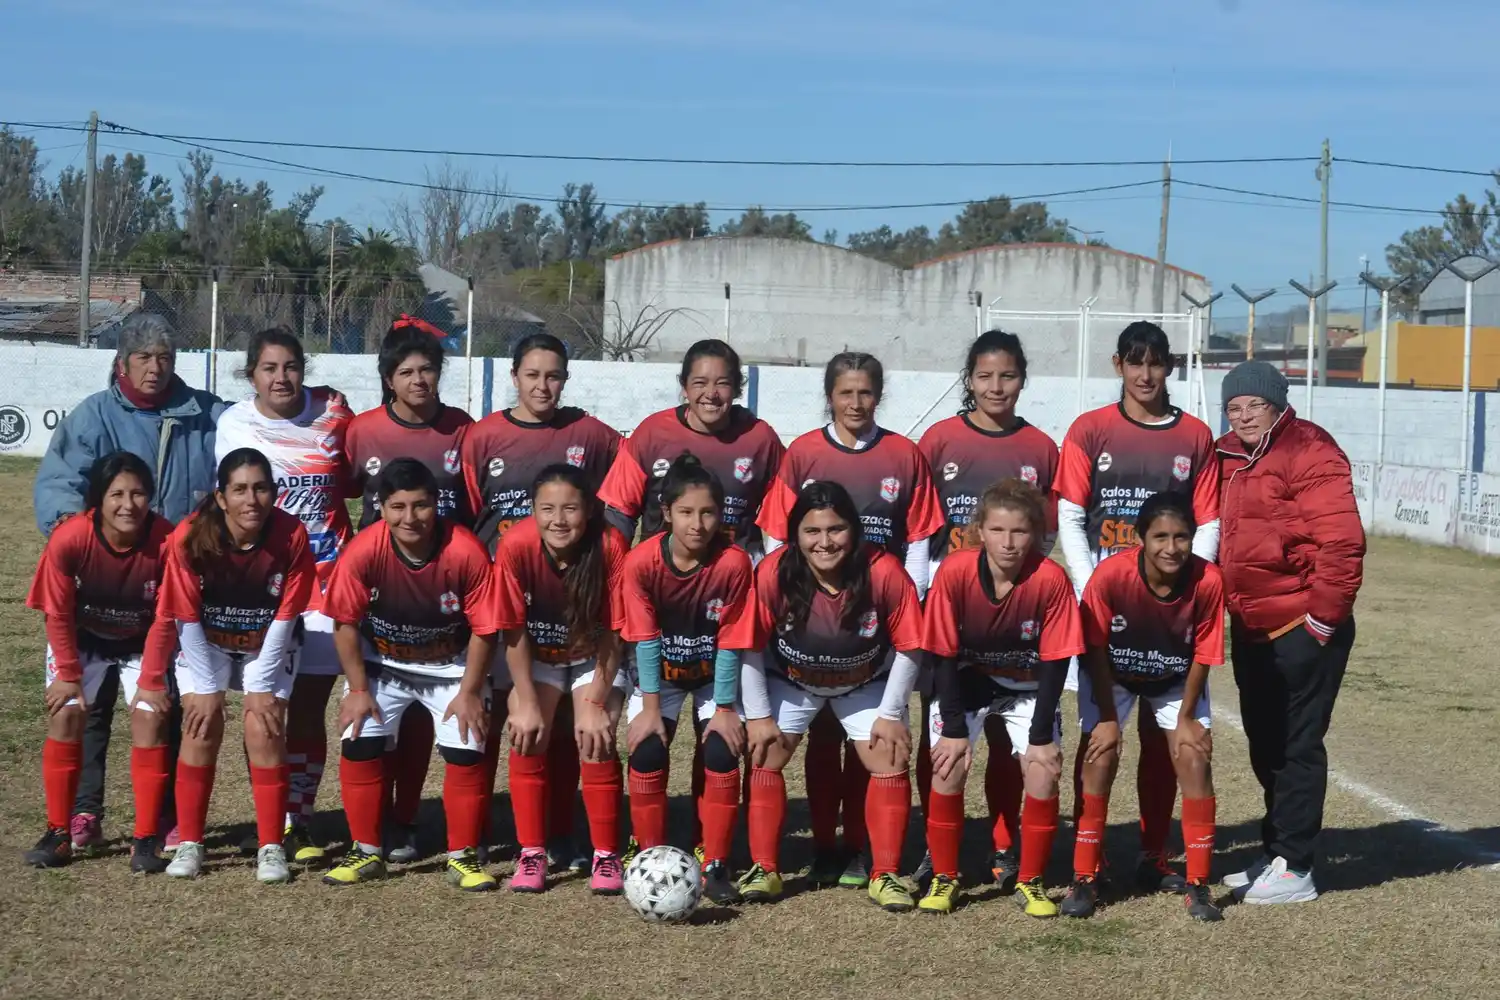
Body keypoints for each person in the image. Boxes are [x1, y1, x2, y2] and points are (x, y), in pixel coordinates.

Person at [32, 313, 223, 853]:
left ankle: (159, 816)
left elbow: (235, 473)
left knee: (159, 701)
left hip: (175, 575)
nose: (155, 368)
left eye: (164, 357)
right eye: (143, 358)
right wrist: (89, 545)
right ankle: (84, 812)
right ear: (121, 363)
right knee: (88, 707)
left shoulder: (205, 415)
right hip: (105, 583)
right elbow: (60, 485)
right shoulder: (93, 416)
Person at [756, 351, 943, 890]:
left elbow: (918, 538)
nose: (855, 403)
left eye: (865, 392)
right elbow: (779, 533)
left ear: (878, 395)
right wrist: (792, 592)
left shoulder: (903, 455)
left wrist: (906, 601)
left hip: (874, 615)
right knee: (819, 736)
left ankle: (866, 851)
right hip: (811, 615)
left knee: (872, 737)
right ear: (829, 396)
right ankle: (823, 845)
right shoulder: (804, 453)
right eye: (845, 393)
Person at [597, 338, 782, 860]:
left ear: (738, 389)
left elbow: (781, 518)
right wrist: (614, 588)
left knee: (721, 745)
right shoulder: (653, 433)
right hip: (661, 607)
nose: (711, 393)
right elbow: (616, 515)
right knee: (648, 742)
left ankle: (711, 850)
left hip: (728, 605)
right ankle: (647, 846)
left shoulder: (761, 438)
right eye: (700, 382)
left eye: (723, 382)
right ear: (684, 386)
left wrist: (766, 578)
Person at [1053, 321, 1220, 895]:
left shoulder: (1195, 435)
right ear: (1118, 365)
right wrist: (1088, 584)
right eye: (1134, 362)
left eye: (1155, 363)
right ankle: (1088, 865)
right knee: (1099, 736)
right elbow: (1072, 514)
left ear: (1169, 367)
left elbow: (1210, 520)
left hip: (1173, 597)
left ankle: (1156, 854)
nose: (1145, 374)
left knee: (1168, 739)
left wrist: (1185, 582)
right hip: (1109, 599)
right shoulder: (1090, 429)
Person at [464, 332, 621, 874]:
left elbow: (623, 495)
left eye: (553, 375)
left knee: (585, 733)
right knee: (513, 725)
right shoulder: (483, 438)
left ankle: (579, 841)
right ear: (514, 376)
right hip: (510, 617)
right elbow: (466, 514)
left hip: (580, 632)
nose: (542, 385)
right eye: (532, 375)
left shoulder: (595, 437)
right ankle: (494, 838)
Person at [915, 329, 1060, 890]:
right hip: (951, 607)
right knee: (946, 729)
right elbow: (922, 524)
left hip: (1014, 612)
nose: (997, 386)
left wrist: (1017, 581)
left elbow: (1043, 533)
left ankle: (1005, 845)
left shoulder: (1041, 448)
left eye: (1008, 376)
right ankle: (937, 853)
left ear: (1023, 379)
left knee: (1007, 739)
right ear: (968, 381)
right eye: (985, 376)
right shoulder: (940, 440)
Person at [1215, 361, 1364, 905]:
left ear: (1278, 403)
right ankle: (1277, 850)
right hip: (1252, 623)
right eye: (1234, 406)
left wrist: (1320, 623)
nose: (1245, 415)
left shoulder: (1310, 450)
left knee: (1297, 744)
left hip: (1300, 624)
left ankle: (1297, 867)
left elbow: (1342, 544)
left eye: (1256, 404)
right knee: (1265, 743)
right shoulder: (1227, 453)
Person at [740, 481, 924, 912]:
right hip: (793, 680)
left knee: (890, 755)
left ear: (854, 531)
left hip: (864, 682)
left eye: (836, 530)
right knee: (765, 753)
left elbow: (911, 646)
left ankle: (886, 874)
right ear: (795, 535)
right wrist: (760, 716)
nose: (825, 542)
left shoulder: (883, 571)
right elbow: (748, 646)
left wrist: (892, 713)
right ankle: (764, 869)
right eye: (812, 532)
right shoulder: (773, 572)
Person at [319, 459, 500, 891]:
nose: (410, 518)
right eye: (398, 507)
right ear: (381, 508)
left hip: (451, 666)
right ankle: (366, 851)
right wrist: (359, 689)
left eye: (420, 506)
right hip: (384, 664)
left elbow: (485, 628)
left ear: (436, 504)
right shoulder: (364, 549)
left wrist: (471, 690)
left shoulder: (465, 550)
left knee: (467, 747)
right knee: (359, 740)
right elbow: (344, 622)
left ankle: (463, 857)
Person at [214, 327, 353, 866]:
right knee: (268, 705)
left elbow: (357, 478)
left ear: (304, 369)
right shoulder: (233, 426)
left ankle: (302, 816)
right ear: (252, 373)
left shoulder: (334, 415)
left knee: (310, 707)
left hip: (326, 585)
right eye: (269, 367)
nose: (281, 377)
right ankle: (270, 816)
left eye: (291, 366)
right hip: (264, 587)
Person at [147, 448, 317, 883]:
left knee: (264, 726)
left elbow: (288, 613)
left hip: (268, 644)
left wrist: (260, 686)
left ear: (275, 493)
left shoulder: (292, 534)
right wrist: (206, 688)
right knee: (200, 725)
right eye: (239, 490)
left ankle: (270, 846)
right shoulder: (190, 536)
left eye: (261, 488)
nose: (251, 500)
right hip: (206, 641)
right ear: (220, 498)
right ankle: (190, 842)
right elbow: (183, 614)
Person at [344, 316, 475, 863]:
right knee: (383, 706)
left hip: (444, 583)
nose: (419, 380)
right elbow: (343, 493)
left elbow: (475, 499)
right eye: (407, 371)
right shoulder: (363, 431)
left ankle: (406, 818)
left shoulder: (462, 429)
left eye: (428, 370)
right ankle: (374, 831)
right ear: (388, 379)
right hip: (384, 586)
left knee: (425, 712)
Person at [920, 480, 1082, 916]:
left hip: (1029, 686)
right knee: (948, 764)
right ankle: (945, 876)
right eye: (997, 531)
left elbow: (1055, 662)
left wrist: (1042, 734)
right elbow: (941, 654)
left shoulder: (1050, 579)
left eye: (1019, 532)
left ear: (1036, 534)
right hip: (967, 682)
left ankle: (1030, 880)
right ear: (980, 530)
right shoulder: (954, 572)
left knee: (1044, 770)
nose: (1008, 543)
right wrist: (953, 730)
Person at [1063, 491, 1225, 923]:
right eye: (1160, 537)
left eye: (1182, 537)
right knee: (1100, 754)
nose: (1171, 548)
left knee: (1193, 757)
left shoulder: (1208, 580)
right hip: (1112, 674)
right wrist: (1108, 719)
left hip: (1174, 679)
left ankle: (1196, 883)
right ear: (1140, 539)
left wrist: (1188, 718)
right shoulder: (1111, 576)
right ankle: (1085, 874)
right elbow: (1094, 648)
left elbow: (1204, 654)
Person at [22, 453, 176, 874]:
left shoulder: (167, 540)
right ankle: (59, 833)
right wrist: (68, 675)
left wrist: (150, 680)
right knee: (66, 713)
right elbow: (56, 611)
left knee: (149, 715)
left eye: (139, 493)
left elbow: (167, 617)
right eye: (117, 494)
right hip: (82, 638)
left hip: (141, 641)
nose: (129, 504)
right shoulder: (71, 538)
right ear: (98, 500)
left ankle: (145, 840)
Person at [620, 454, 758, 905]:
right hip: (659, 676)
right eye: (686, 512)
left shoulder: (734, 564)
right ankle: (648, 857)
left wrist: (722, 709)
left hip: (712, 677)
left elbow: (733, 637)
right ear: (666, 512)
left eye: (707, 512)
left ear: (720, 514)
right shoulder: (642, 562)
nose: (697, 524)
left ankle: (715, 862)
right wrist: (650, 709)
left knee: (721, 751)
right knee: (646, 750)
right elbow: (643, 637)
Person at [495, 465, 631, 894]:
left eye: (570, 508)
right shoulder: (515, 546)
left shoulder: (610, 545)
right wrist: (527, 698)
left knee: (596, 735)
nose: (559, 520)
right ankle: (532, 852)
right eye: (547, 509)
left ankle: (605, 855)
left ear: (589, 510)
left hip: (595, 656)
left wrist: (594, 702)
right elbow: (512, 629)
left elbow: (614, 630)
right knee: (528, 730)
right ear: (531, 511)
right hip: (537, 657)